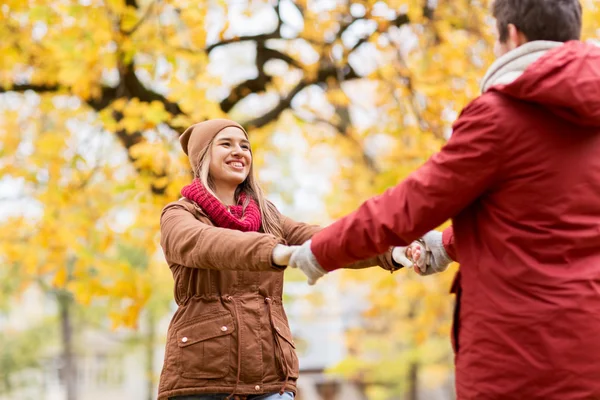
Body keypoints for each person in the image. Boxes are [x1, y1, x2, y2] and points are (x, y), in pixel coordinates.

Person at [288, 0, 600, 398]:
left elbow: (407, 206)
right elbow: (548, 220)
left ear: (512, 35)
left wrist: (320, 250)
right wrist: (447, 245)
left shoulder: (501, 116)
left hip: (522, 360)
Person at [157, 119, 411, 400]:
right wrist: (273, 252)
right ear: (202, 156)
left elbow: (325, 240)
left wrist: (389, 250)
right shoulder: (179, 215)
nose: (239, 152)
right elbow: (204, 243)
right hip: (203, 377)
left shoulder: (269, 217)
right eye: (225, 144)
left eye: (245, 146)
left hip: (271, 377)